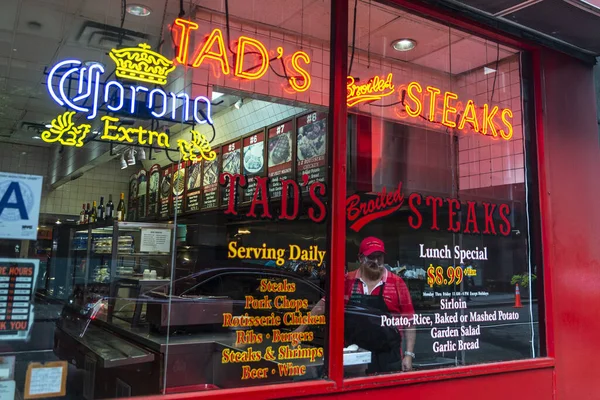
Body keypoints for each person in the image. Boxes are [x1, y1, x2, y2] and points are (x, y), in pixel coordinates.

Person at [295, 236, 416, 373]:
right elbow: (323, 306)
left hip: (388, 357)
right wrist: (300, 330)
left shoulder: (397, 283)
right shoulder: (347, 281)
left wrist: (408, 355)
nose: (376, 262)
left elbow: (410, 321)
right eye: (371, 257)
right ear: (360, 258)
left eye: (380, 257)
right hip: (353, 357)